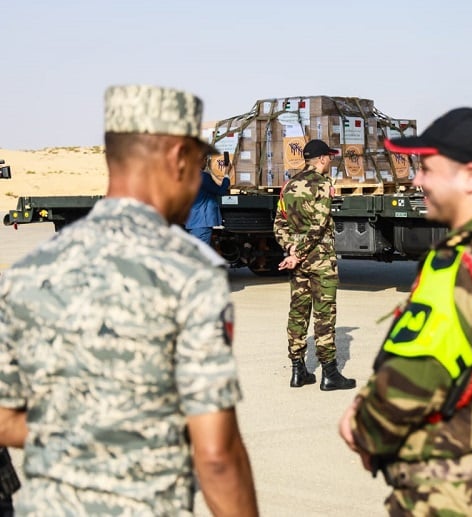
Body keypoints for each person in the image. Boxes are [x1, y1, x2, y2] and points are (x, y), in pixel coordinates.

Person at [0, 84, 259, 515]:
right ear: (178, 159)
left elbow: (5, 421)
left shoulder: (28, 271)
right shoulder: (188, 275)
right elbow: (216, 455)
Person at [338, 108, 472, 515]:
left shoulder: (464, 261)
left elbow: (413, 378)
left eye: (428, 169)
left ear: (469, 176)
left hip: (446, 494)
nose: (416, 180)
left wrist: (362, 426)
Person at [273, 139, 356, 391]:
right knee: (324, 314)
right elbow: (319, 226)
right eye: (329, 157)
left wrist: (290, 249)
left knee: (298, 312)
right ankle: (329, 374)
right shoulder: (323, 184)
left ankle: (298, 371)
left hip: (298, 263)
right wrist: (298, 252)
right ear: (320, 159)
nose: (330, 160)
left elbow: (279, 224)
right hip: (320, 260)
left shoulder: (289, 185)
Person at [186, 154, 232, 245]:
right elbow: (221, 191)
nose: (206, 163)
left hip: (193, 222)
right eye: (205, 160)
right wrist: (227, 174)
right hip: (201, 223)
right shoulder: (202, 177)